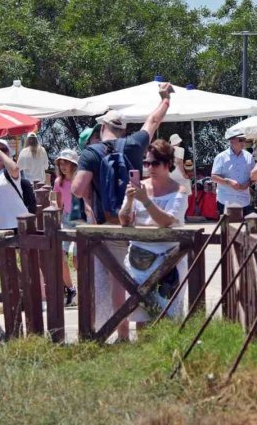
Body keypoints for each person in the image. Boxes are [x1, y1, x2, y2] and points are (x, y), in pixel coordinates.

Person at [71, 82, 173, 340]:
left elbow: (76, 189)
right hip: (138, 222)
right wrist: (165, 99)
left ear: (103, 127)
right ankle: (147, 332)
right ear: (123, 129)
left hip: (112, 223)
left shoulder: (91, 152)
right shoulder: (135, 144)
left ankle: (123, 335)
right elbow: (152, 120)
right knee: (143, 276)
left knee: (119, 280)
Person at [118, 140, 188, 325]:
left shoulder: (179, 190)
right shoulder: (139, 187)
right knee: (141, 315)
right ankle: (143, 353)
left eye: (155, 163)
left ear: (168, 164)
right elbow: (124, 220)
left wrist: (146, 200)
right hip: (138, 261)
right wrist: (130, 201)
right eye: (146, 163)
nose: (150, 167)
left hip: (168, 263)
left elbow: (167, 222)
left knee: (168, 318)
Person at [53, 149, 83, 307]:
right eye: (61, 162)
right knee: (61, 256)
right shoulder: (58, 182)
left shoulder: (81, 180)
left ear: (73, 164)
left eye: (66, 162)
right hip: (66, 218)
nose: (63, 165)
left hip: (80, 219)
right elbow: (58, 203)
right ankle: (71, 289)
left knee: (78, 260)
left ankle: (84, 287)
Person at [211, 128, 255, 216]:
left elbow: (253, 176)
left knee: (246, 228)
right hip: (225, 200)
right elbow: (214, 177)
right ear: (232, 140)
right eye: (241, 139)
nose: (243, 142)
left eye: (244, 140)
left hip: (244, 200)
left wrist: (248, 183)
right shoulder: (221, 157)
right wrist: (229, 182)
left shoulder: (249, 157)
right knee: (227, 229)